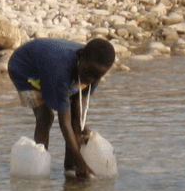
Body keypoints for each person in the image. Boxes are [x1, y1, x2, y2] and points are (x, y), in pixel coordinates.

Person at [8, 37, 116, 178]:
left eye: (96, 76)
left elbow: (77, 117)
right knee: (45, 117)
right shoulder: (60, 70)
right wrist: (82, 163)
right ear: (80, 57)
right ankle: (39, 166)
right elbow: (64, 123)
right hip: (24, 70)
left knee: (77, 124)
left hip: (51, 68)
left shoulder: (92, 70)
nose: (89, 79)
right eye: (88, 74)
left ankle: (70, 169)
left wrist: (81, 127)